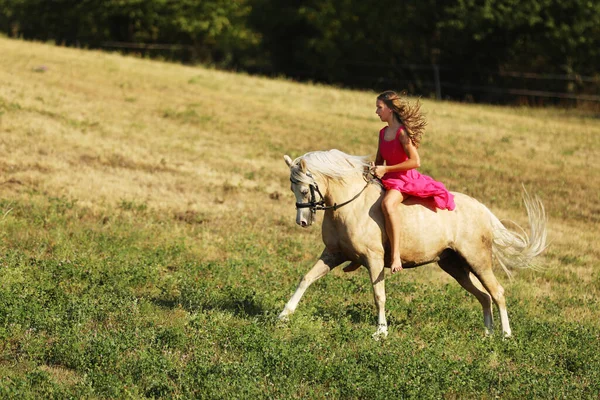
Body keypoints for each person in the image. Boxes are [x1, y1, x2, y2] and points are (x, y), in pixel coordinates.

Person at [372, 90, 455, 274]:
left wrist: (386, 169)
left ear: (390, 110)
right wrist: (373, 168)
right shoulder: (383, 132)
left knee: (387, 204)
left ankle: (395, 256)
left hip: (403, 180)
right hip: (387, 178)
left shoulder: (402, 133)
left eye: (379, 108)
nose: (376, 112)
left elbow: (415, 161)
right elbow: (379, 159)